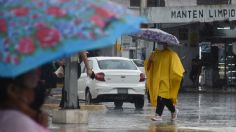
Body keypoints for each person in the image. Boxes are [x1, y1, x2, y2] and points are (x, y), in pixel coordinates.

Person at [146, 44, 185, 121]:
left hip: (167, 80)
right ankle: (173, 111)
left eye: (164, 44)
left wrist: (177, 78)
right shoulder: (155, 54)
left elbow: (178, 69)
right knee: (164, 98)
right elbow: (148, 68)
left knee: (161, 96)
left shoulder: (172, 55)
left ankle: (158, 115)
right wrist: (150, 60)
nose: (162, 45)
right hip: (157, 80)